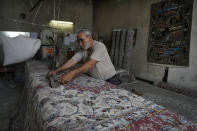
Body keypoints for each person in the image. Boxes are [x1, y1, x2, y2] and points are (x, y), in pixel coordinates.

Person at [48, 28, 121, 85]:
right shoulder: (83, 49)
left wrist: (72, 74)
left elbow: (90, 65)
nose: (80, 44)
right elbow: (72, 61)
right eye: (78, 41)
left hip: (111, 80)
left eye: (82, 40)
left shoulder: (99, 46)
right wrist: (56, 71)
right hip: (98, 81)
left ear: (89, 37)